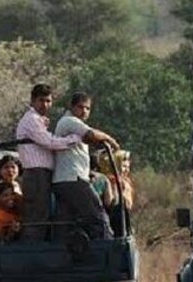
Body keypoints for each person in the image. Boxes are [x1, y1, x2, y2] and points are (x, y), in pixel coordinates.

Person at [15, 84, 81, 241]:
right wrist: (74, 139)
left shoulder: (40, 120)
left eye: (48, 101)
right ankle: (32, 255)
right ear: (32, 101)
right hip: (36, 174)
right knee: (36, 217)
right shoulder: (31, 120)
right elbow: (49, 142)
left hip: (43, 174)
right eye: (41, 100)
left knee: (44, 214)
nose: (45, 104)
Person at [52, 92, 119, 240]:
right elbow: (91, 135)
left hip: (66, 180)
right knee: (98, 215)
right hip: (72, 179)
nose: (84, 111)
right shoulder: (69, 121)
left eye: (87, 108)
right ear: (72, 107)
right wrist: (110, 139)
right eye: (80, 107)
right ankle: (107, 250)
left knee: (66, 222)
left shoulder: (73, 124)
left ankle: (64, 256)